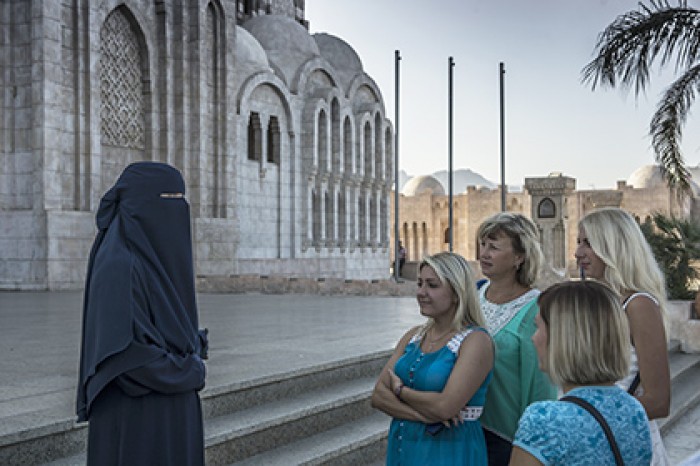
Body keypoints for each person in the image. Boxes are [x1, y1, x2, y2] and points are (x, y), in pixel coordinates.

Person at [76, 162, 208, 465]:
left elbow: (164, 324)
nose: (177, 213)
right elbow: (126, 361)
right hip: (139, 426)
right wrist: (191, 370)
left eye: (180, 201)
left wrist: (192, 344)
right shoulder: (118, 268)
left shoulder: (153, 260)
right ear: (141, 206)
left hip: (169, 420)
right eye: (168, 200)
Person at [510, 280, 652, 465]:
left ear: (563, 338)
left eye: (538, 327)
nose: (534, 337)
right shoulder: (634, 410)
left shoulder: (545, 420)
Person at [371, 252, 494, 465]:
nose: (421, 292)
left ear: (457, 292)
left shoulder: (475, 341)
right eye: (419, 284)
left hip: (449, 451)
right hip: (404, 448)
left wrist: (401, 391)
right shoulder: (413, 336)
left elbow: (445, 407)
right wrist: (423, 416)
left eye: (432, 285)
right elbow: (379, 397)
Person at [576, 207, 671, 465]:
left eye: (589, 243)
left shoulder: (639, 305)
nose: (578, 253)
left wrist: (589, 418)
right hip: (589, 439)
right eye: (578, 242)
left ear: (614, 245)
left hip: (625, 444)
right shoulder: (597, 302)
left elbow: (659, 400)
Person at [476, 212, 557, 465]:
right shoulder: (473, 295)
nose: (484, 253)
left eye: (494, 247)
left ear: (519, 257)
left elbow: (541, 386)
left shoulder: (537, 307)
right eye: (483, 245)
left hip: (508, 440)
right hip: (465, 431)